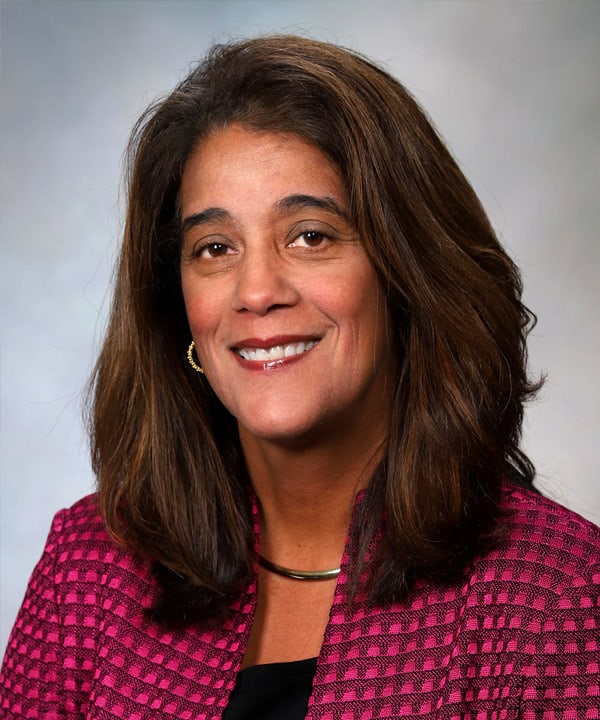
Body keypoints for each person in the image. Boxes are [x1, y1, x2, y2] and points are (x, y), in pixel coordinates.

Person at [1, 35, 598, 720]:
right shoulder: (88, 576)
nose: (257, 292)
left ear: (406, 273)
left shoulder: (556, 601)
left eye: (311, 235)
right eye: (215, 248)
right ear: (177, 303)